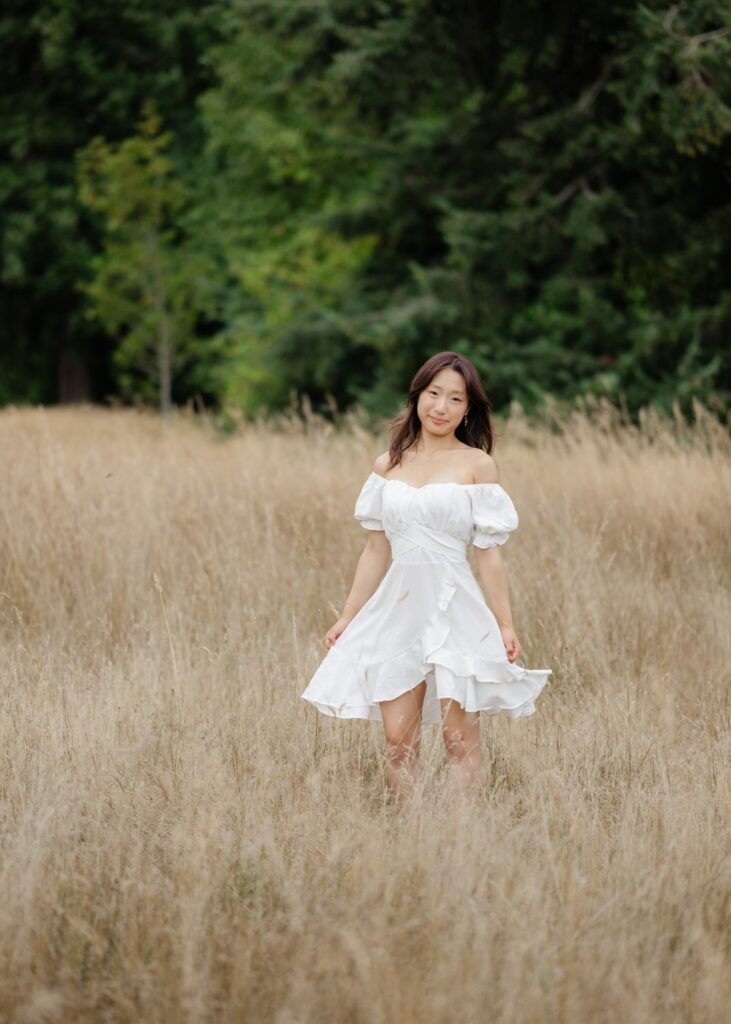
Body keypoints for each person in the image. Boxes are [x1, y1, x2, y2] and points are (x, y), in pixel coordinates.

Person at [301, 351, 551, 805]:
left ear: (468, 409)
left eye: (455, 398)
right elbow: (376, 550)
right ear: (418, 397)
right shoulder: (388, 464)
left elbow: (489, 556)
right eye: (434, 393)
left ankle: (457, 841)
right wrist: (347, 617)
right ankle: (413, 835)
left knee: (460, 742)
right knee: (398, 742)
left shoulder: (478, 465)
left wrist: (505, 624)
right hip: (397, 612)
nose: (441, 406)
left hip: (456, 608)